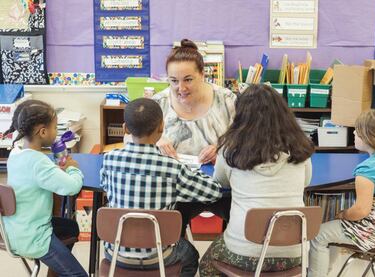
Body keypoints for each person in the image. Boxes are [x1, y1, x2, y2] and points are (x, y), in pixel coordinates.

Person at [199, 84, 314, 276]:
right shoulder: (301, 149)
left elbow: (220, 182)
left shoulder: (230, 150)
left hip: (244, 252)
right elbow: (306, 181)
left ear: (241, 115)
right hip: (295, 253)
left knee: (207, 265)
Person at [100, 98, 223, 277]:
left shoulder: (110, 159)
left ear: (125, 128)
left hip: (115, 254)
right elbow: (214, 191)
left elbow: (104, 184)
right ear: (161, 127)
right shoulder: (172, 167)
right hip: (159, 255)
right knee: (190, 256)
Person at [308, 108, 375, 277]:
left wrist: (343, 214)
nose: (354, 132)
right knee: (331, 229)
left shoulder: (367, 170)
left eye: (359, 131)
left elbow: (361, 211)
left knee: (319, 234)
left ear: (371, 138)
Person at [3, 100, 87, 276]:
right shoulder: (38, 162)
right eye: (55, 128)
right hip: (34, 237)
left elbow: (34, 177)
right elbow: (72, 187)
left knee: (70, 228)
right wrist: (73, 168)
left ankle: (56, 271)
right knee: (79, 275)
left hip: (15, 229)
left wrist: (56, 172)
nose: (57, 133)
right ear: (42, 132)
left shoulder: (16, 152)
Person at [153, 38, 236, 164]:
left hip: (216, 178)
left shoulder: (226, 101)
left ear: (202, 74)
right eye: (174, 81)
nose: (181, 88)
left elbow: (247, 140)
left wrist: (222, 150)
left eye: (188, 80)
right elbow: (129, 137)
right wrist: (156, 140)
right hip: (170, 180)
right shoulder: (158, 104)